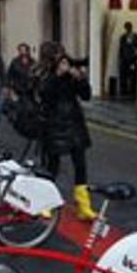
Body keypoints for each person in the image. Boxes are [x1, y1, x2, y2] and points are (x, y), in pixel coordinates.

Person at [39, 53, 97, 221]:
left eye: (67, 63)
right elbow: (46, 96)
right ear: (56, 65)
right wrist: (58, 76)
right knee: (52, 166)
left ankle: (84, 206)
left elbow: (86, 96)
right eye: (62, 63)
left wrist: (81, 79)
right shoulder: (50, 79)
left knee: (80, 165)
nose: (66, 66)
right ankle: (45, 203)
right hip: (55, 127)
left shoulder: (72, 79)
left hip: (74, 126)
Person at [118, 22, 137, 98]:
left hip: (133, 59)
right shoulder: (123, 37)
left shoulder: (136, 37)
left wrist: (136, 58)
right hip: (124, 59)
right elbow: (121, 49)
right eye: (126, 28)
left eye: (129, 27)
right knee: (123, 75)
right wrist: (120, 59)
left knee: (133, 75)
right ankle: (124, 91)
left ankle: (133, 91)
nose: (128, 29)